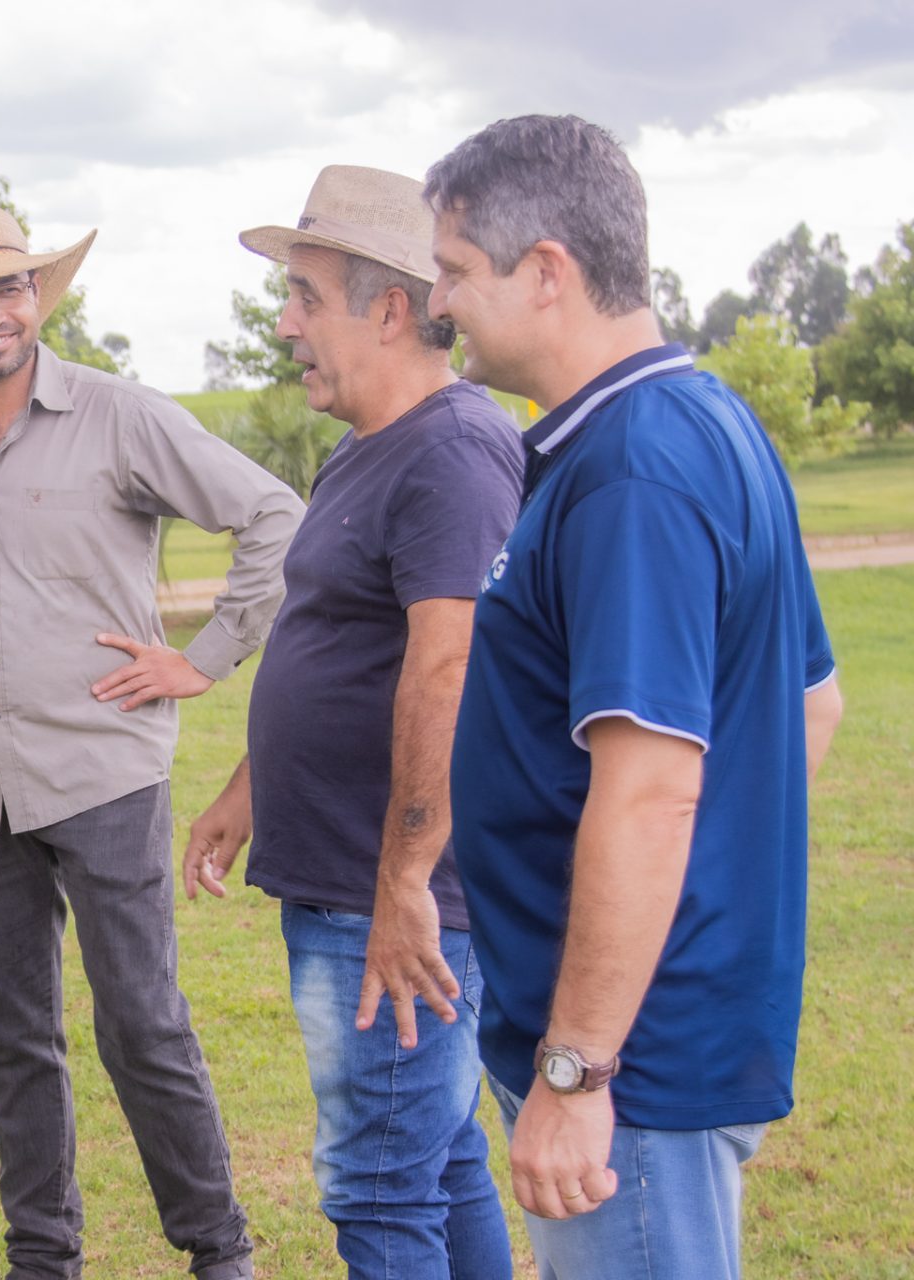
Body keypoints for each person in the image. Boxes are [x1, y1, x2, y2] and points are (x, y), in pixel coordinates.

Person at [0, 203, 303, 1280]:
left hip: (105, 774)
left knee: (142, 1023)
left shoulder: (120, 415)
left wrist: (207, 654)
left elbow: (273, 516)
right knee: (12, 1037)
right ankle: (42, 1253)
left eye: (10, 289)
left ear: (37, 298)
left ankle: (218, 1247)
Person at [425, 115, 845, 1279]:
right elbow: (811, 703)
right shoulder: (700, 421)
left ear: (547, 270)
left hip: (633, 1069)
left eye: (456, 270)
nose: (441, 304)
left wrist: (580, 1067)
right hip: (652, 1035)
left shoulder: (631, 472)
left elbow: (654, 791)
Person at [183, 165, 520, 1279]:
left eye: (306, 297)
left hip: (392, 895)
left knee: (380, 1181)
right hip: (343, 871)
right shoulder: (363, 446)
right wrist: (249, 785)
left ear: (388, 307)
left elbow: (449, 662)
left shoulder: (453, 451)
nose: (285, 324)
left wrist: (404, 881)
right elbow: (331, 642)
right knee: (437, 1152)